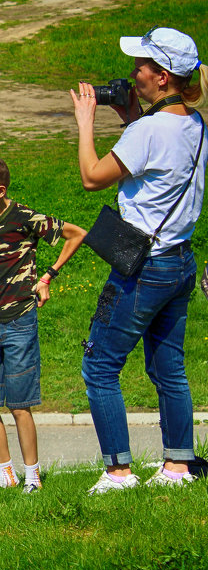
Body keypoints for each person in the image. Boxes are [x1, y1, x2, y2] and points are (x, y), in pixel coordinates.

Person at [72, 28, 208, 493]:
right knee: (168, 368)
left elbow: (93, 177)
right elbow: (158, 163)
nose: (133, 74)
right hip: (179, 262)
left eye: (140, 67)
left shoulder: (149, 130)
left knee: (100, 366)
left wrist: (86, 120)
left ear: (163, 76)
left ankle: (118, 472)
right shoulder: (196, 124)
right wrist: (131, 116)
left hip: (142, 268)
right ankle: (177, 466)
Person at [0, 156, 85, 492]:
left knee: (19, 404)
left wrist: (47, 276)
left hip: (19, 318)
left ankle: (33, 477)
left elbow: (77, 235)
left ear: (0, 191)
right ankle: (7, 475)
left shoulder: (25, 218)